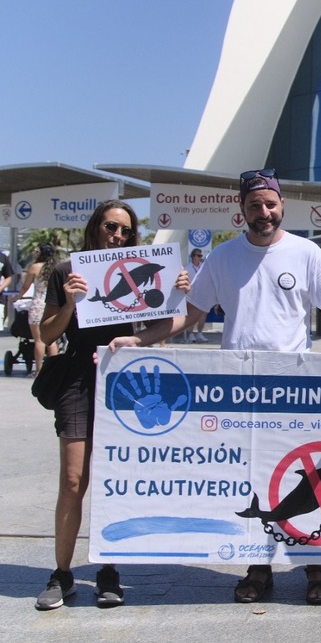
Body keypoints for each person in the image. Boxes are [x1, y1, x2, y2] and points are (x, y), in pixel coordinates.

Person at [110, 169, 321, 605]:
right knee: (252, 480)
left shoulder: (306, 253)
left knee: (308, 479)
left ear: (282, 206)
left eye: (270, 204)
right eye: (254, 206)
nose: (263, 212)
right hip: (240, 391)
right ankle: (258, 568)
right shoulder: (223, 257)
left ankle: (317, 566)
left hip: (295, 390)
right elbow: (190, 315)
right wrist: (141, 339)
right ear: (241, 210)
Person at [36, 200, 189, 611]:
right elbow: (46, 331)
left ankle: (107, 570)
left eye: (124, 230)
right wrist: (69, 304)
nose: (116, 235)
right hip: (76, 382)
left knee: (111, 479)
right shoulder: (68, 272)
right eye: (110, 227)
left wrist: (178, 296)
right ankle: (62, 573)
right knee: (73, 481)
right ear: (95, 228)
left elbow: (172, 322)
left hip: (123, 381)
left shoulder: (146, 271)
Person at [16, 243, 60, 377]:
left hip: (37, 305)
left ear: (41, 253)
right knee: (52, 340)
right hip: (52, 305)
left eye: (36, 250)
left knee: (39, 340)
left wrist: (17, 297)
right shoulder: (56, 267)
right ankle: (54, 371)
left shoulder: (35, 267)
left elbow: (25, 287)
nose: (34, 252)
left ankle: (39, 370)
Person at [184, 248, 208, 342]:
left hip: (202, 293)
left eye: (201, 256)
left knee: (203, 315)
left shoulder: (204, 266)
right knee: (191, 315)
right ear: (193, 256)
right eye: (198, 255)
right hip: (191, 294)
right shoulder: (187, 267)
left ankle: (199, 333)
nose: (200, 257)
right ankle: (191, 334)